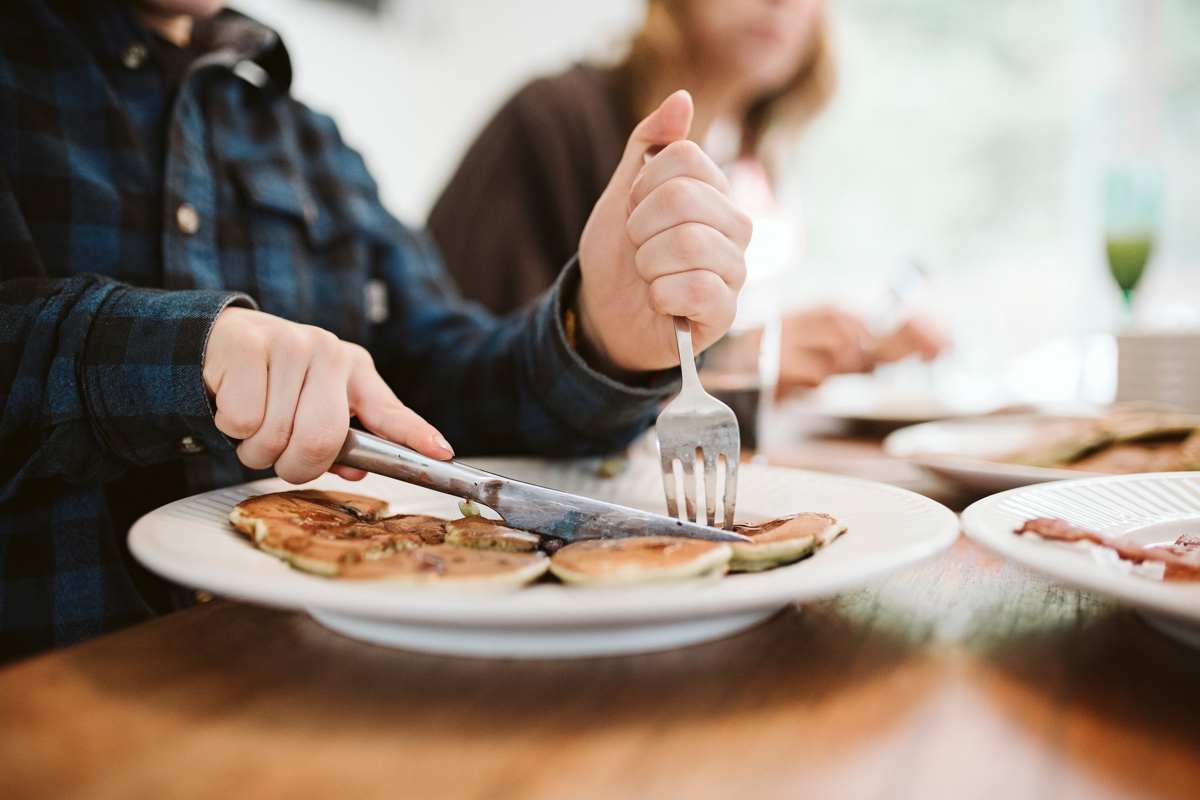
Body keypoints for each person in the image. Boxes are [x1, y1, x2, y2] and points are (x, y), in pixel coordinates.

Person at [0, 0, 750, 660]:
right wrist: (180, 350)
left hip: (338, 693)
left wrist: (600, 339)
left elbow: (444, 386)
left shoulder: (312, 145)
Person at [428, 0, 945, 394]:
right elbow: (465, 374)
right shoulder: (553, 120)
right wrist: (731, 360)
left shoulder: (745, 157)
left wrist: (852, 349)